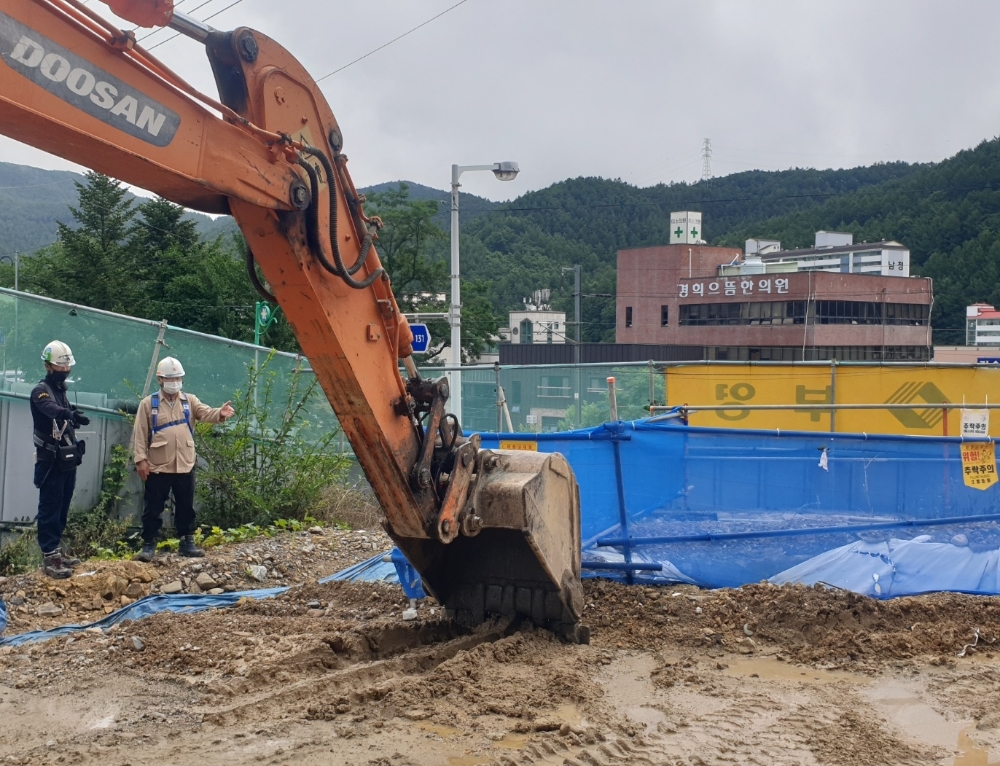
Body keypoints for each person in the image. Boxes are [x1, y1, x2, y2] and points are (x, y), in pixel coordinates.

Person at [131, 357, 234, 561]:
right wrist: (140, 460)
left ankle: (187, 542)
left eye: (178, 377)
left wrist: (219, 414)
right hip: (158, 465)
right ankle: (149, 544)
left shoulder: (190, 401)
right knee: (153, 507)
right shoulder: (148, 404)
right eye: (171, 378)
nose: (175, 381)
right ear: (160, 379)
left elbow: (206, 413)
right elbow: (140, 433)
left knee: (186, 505)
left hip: (185, 464)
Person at [30, 340, 88, 579]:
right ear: (48, 366)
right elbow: (51, 410)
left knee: (63, 505)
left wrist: (72, 416)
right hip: (50, 460)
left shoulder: (62, 391)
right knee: (50, 507)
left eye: (67, 367)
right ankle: (50, 555)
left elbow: (62, 413)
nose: (64, 371)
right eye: (60, 367)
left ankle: (57, 550)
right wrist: (69, 413)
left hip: (66, 458)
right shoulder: (41, 391)